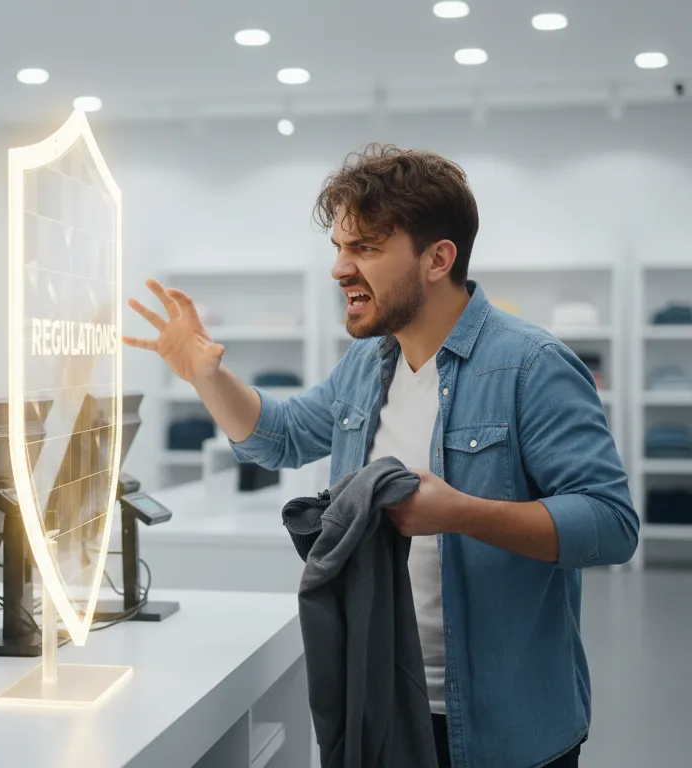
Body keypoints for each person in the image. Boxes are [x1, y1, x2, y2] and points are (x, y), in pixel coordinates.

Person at [124, 144, 637, 768]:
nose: (340, 268)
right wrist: (204, 375)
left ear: (437, 259)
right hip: (382, 705)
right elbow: (281, 436)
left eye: (365, 247)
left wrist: (460, 513)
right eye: (339, 247)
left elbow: (610, 525)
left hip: (505, 729)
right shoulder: (368, 365)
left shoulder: (532, 365)